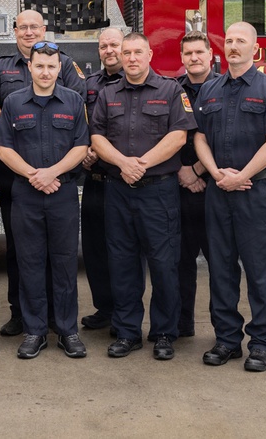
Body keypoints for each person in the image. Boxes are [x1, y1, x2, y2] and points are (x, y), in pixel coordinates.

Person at [0, 9, 86, 337]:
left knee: (62, 256)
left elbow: (77, 116)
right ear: (14, 32)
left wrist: (51, 173)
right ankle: (23, 317)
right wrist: (30, 173)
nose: (28, 32)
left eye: (34, 27)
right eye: (23, 27)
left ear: (44, 31)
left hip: (60, 180)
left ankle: (59, 320)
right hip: (18, 181)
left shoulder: (66, 68)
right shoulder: (1, 70)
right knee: (21, 252)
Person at [90, 32, 195, 360]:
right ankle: (127, 332)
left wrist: (142, 164)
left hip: (158, 192)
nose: (132, 58)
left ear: (150, 54)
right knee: (122, 264)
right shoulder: (107, 95)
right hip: (118, 191)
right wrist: (122, 163)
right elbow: (96, 136)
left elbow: (178, 136)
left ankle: (164, 332)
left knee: (164, 264)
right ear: (119, 57)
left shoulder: (171, 90)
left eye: (138, 52)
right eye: (126, 53)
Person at [194, 21, 266, 373]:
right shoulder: (210, 89)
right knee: (219, 269)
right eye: (229, 40)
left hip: (256, 192)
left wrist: (242, 177)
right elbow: (200, 138)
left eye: (241, 41)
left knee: (260, 270)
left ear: (254, 48)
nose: (233, 46)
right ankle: (227, 340)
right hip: (219, 191)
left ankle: (263, 343)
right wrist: (217, 173)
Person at [79, 27, 124, 331]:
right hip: (94, 177)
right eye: (104, 46)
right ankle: (104, 309)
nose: (109, 50)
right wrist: (84, 150)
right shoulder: (89, 85)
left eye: (115, 45)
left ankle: (124, 313)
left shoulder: (138, 81)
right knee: (94, 249)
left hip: (122, 180)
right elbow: (78, 120)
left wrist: (105, 151)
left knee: (122, 251)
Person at [175, 31, 217, 337]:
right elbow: (162, 135)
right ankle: (181, 325)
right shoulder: (172, 90)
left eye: (199, 52)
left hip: (216, 189)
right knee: (180, 262)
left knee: (220, 264)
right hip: (179, 187)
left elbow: (229, 138)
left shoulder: (227, 89)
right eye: (188, 53)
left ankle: (223, 330)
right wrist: (182, 171)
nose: (194, 58)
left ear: (210, 54)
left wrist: (198, 172)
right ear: (181, 58)